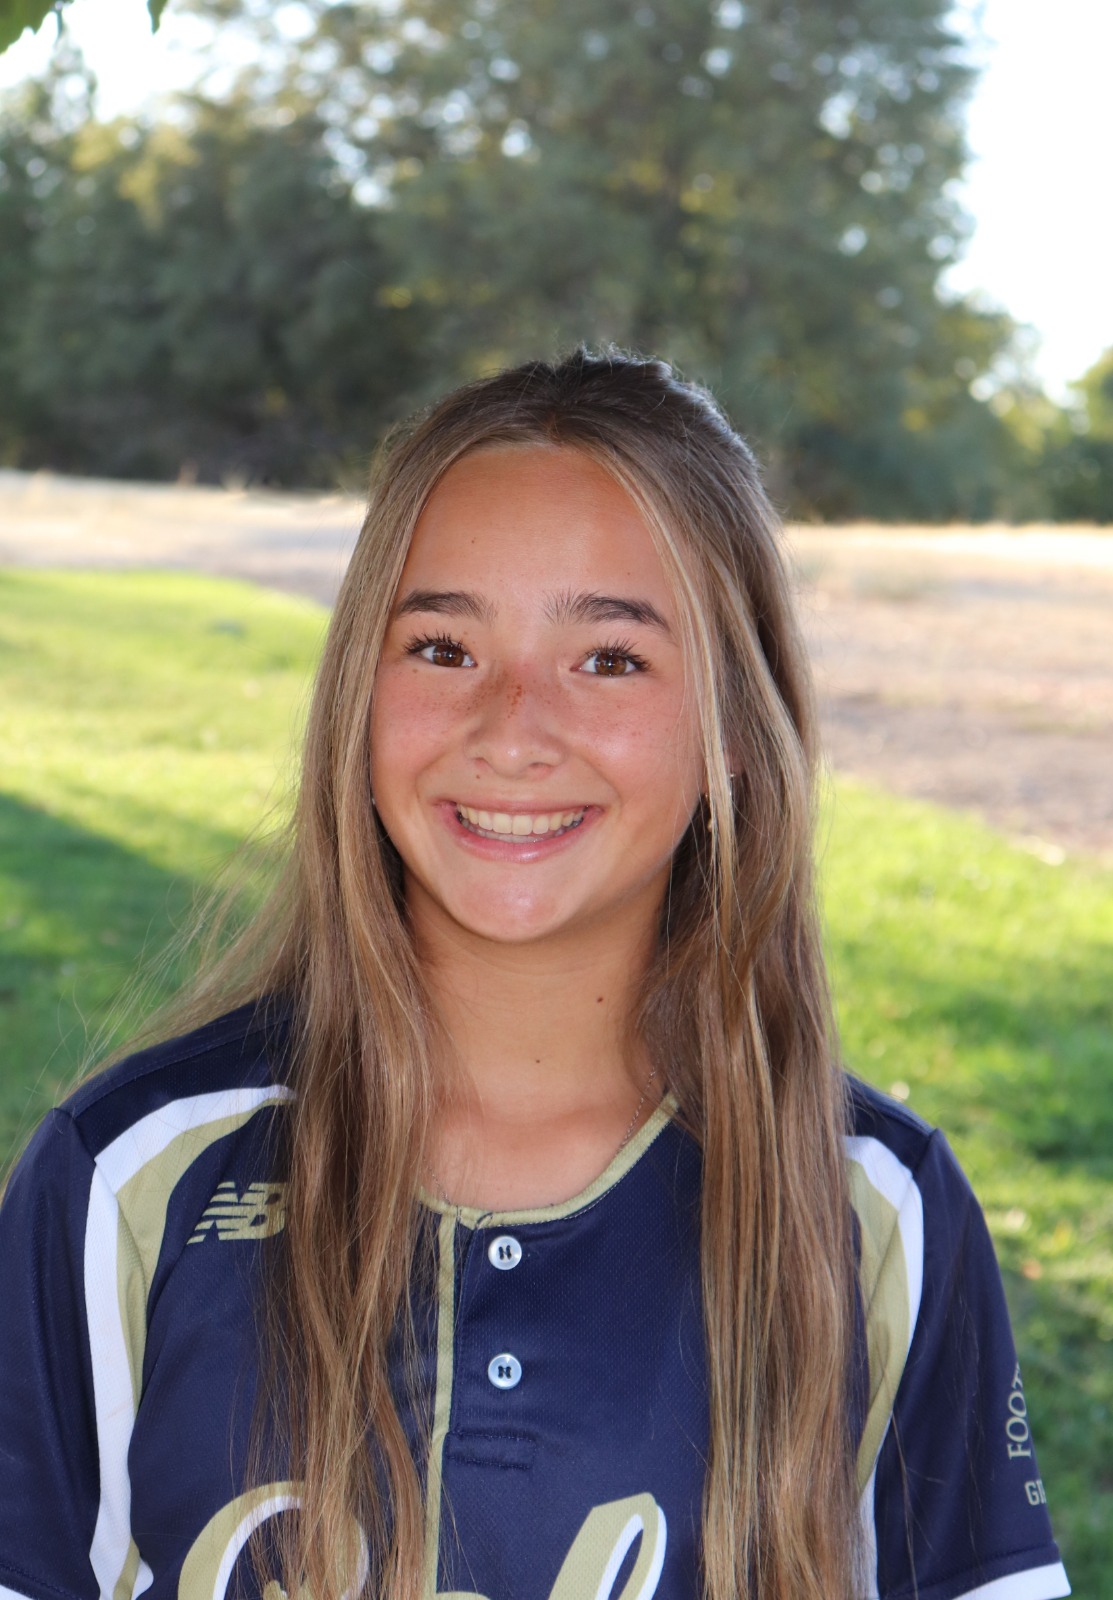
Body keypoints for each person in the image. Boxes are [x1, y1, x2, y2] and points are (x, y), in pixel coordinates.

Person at [0, 351, 1070, 1600]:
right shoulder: (127, 1177)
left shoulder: (873, 1209)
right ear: (357, 694)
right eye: (443, 646)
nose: (511, 729)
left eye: (608, 658)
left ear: (734, 724)